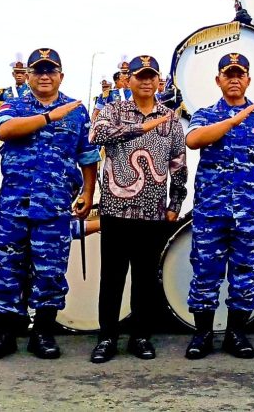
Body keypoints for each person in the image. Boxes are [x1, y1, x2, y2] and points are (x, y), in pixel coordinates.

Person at [0, 47, 98, 362]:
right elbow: (3, 130)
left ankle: (42, 333)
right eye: (38, 71)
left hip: (55, 207)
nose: (45, 76)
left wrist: (87, 191)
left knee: (51, 271)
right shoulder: (13, 105)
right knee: (6, 269)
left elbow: (87, 156)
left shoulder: (76, 111)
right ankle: (3, 333)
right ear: (28, 75)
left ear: (61, 75)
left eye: (51, 70)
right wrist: (47, 117)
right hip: (14, 206)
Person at [87, 54, 187, 363]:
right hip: (116, 211)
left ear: (159, 81)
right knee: (112, 277)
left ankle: (140, 335)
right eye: (139, 76)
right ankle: (107, 337)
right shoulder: (112, 111)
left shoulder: (170, 118)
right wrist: (140, 129)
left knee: (145, 277)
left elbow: (178, 163)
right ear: (128, 80)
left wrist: (175, 203)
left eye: (151, 76)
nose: (145, 81)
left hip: (153, 212)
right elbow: (95, 135)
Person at [183, 52, 254, 360]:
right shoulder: (205, 113)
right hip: (211, 210)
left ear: (249, 79)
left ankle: (236, 334)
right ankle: (203, 334)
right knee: (205, 272)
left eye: (240, 74)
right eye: (229, 74)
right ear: (218, 80)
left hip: (250, 211)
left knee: (245, 273)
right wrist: (233, 120)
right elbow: (194, 140)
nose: (235, 79)